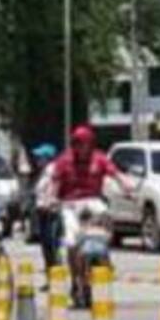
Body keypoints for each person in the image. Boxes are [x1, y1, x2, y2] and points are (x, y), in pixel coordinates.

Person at [51, 125, 132, 295]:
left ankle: (103, 256)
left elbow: (115, 174)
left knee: (104, 216)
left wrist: (126, 186)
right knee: (72, 242)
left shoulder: (100, 159)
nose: (83, 147)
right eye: (79, 143)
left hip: (93, 201)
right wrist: (52, 199)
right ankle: (75, 279)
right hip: (70, 204)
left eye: (86, 143)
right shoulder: (64, 161)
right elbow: (55, 184)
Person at [30, 142, 61, 275]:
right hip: (43, 212)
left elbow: (56, 190)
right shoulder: (43, 173)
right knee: (46, 246)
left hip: (51, 213)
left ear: (47, 158)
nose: (37, 160)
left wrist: (51, 203)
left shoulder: (53, 171)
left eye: (40, 157)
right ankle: (51, 275)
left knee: (52, 245)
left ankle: (56, 275)